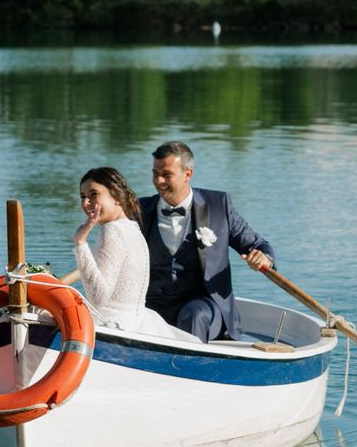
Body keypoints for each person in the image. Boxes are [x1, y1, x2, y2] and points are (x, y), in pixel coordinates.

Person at [140, 141, 275, 343]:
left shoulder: (219, 207)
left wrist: (265, 258)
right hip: (153, 304)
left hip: (204, 305)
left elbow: (259, 246)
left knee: (195, 315)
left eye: (166, 174)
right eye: (154, 173)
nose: (159, 181)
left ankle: (190, 369)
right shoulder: (139, 210)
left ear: (188, 174)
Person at [73, 167, 200, 343]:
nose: (86, 202)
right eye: (82, 196)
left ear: (116, 196)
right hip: (138, 321)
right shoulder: (132, 227)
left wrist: (80, 244)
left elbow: (98, 298)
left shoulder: (111, 231)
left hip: (114, 326)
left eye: (94, 194)